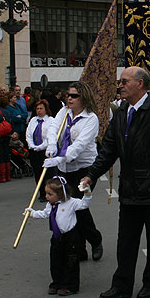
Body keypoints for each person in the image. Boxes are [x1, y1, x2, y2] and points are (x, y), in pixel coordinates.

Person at [80, 66, 150, 298]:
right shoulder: (121, 113)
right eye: (121, 81)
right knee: (125, 241)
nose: (121, 85)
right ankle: (122, 285)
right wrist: (91, 175)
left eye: (125, 81)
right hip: (130, 189)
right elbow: (109, 149)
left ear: (141, 84)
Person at [45, 81, 103, 262]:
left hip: (84, 168)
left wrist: (60, 158)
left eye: (74, 96)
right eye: (68, 95)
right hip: (64, 169)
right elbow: (53, 128)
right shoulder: (64, 112)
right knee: (67, 208)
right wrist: (52, 144)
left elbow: (79, 146)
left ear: (83, 98)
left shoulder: (91, 118)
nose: (69, 98)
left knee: (79, 208)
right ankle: (79, 248)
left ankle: (95, 240)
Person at [24, 175, 92, 296]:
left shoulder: (72, 203)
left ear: (60, 194)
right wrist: (32, 213)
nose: (46, 196)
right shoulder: (51, 205)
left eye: (50, 194)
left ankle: (70, 285)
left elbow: (84, 204)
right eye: (46, 193)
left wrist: (87, 193)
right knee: (55, 261)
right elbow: (45, 214)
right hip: (56, 237)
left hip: (70, 237)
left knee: (70, 262)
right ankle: (57, 283)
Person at [26, 99, 55, 202]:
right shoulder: (33, 120)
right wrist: (32, 145)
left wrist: (41, 147)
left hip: (45, 151)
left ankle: (49, 192)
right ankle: (41, 192)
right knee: (37, 172)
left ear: (46, 109)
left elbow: (50, 136)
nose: (39, 111)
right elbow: (28, 134)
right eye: (37, 109)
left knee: (47, 173)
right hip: (34, 151)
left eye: (41, 108)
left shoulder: (51, 121)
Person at [0, 92, 13, 183]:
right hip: (7, 135)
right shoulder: (8, 111)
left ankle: (3, 176)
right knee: (6, 155)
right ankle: (8, 175)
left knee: (0, 155)